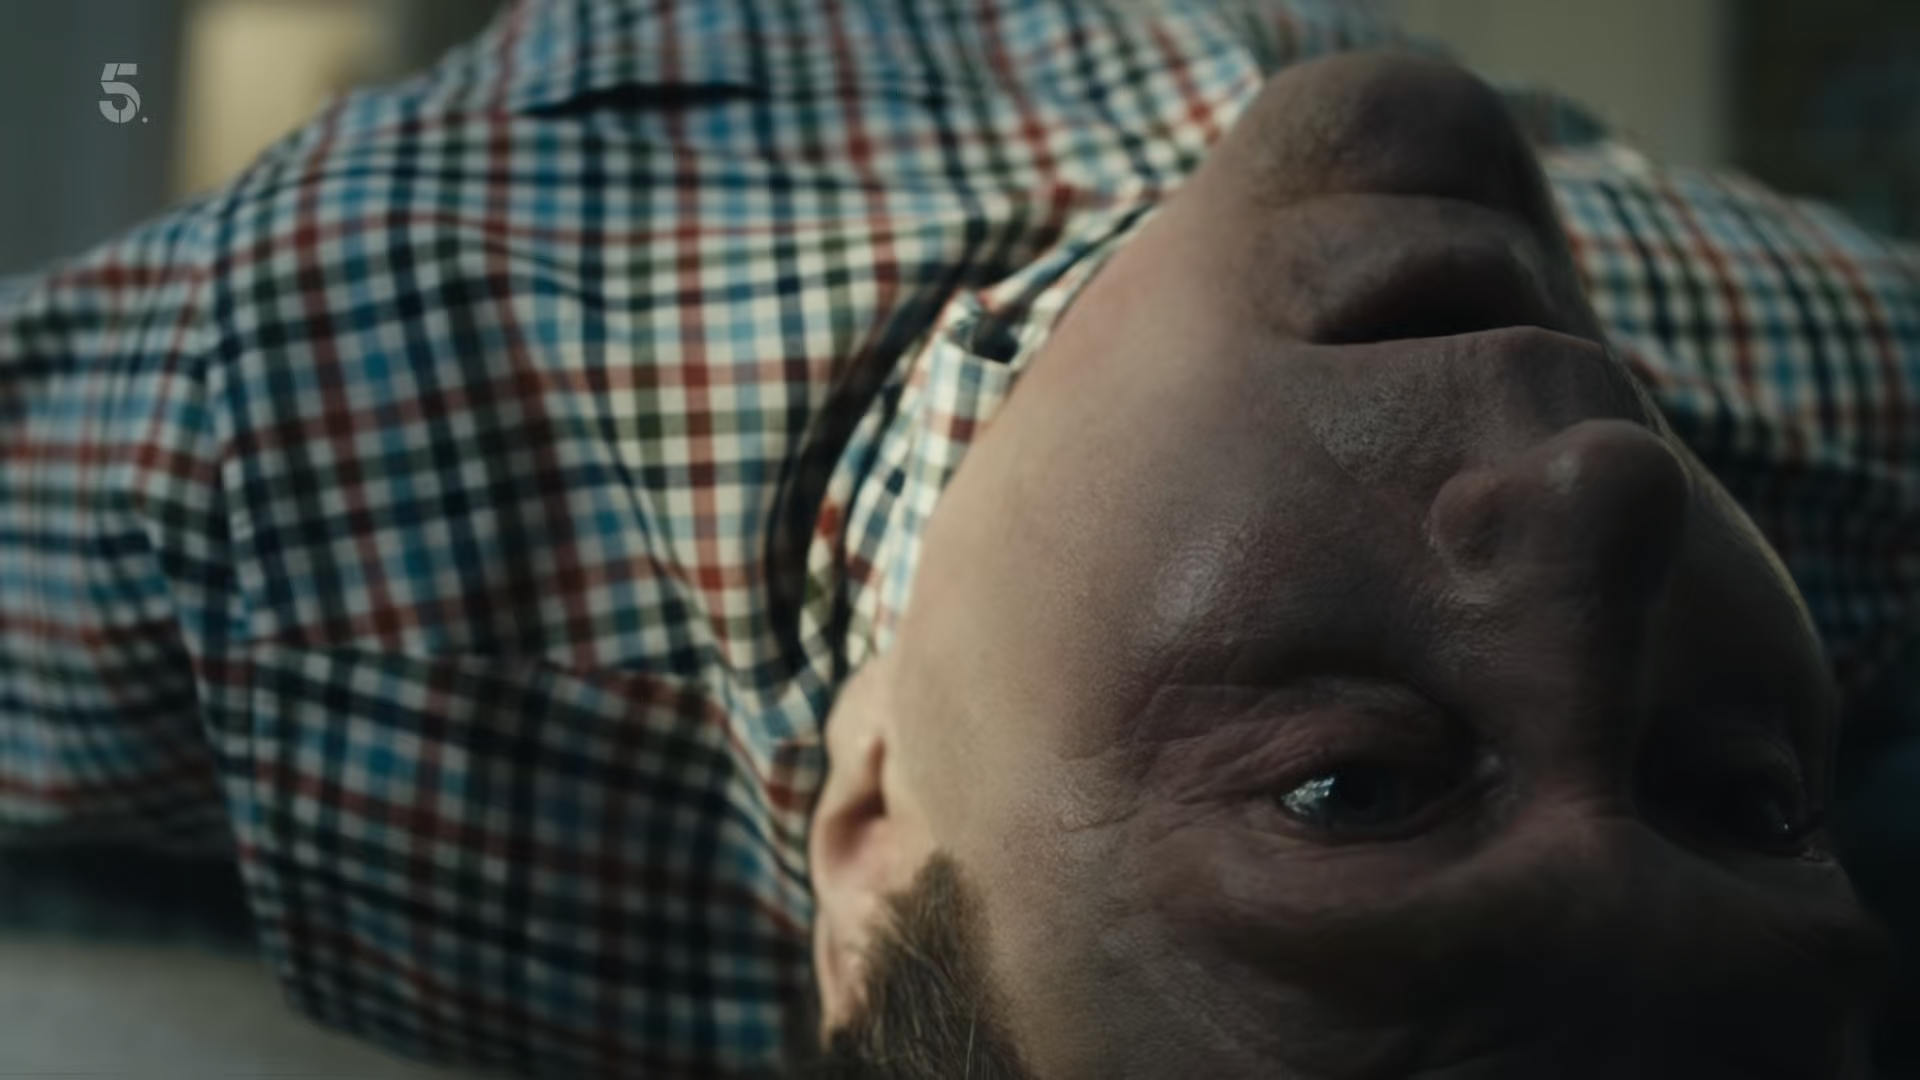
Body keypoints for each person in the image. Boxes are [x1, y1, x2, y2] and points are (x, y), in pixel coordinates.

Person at [0, 1, 1914, 1078]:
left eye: (1351, 788)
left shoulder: (309, 461)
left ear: (872, 820)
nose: (1613, 497)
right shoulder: (1853, 423)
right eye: (1747, 802)